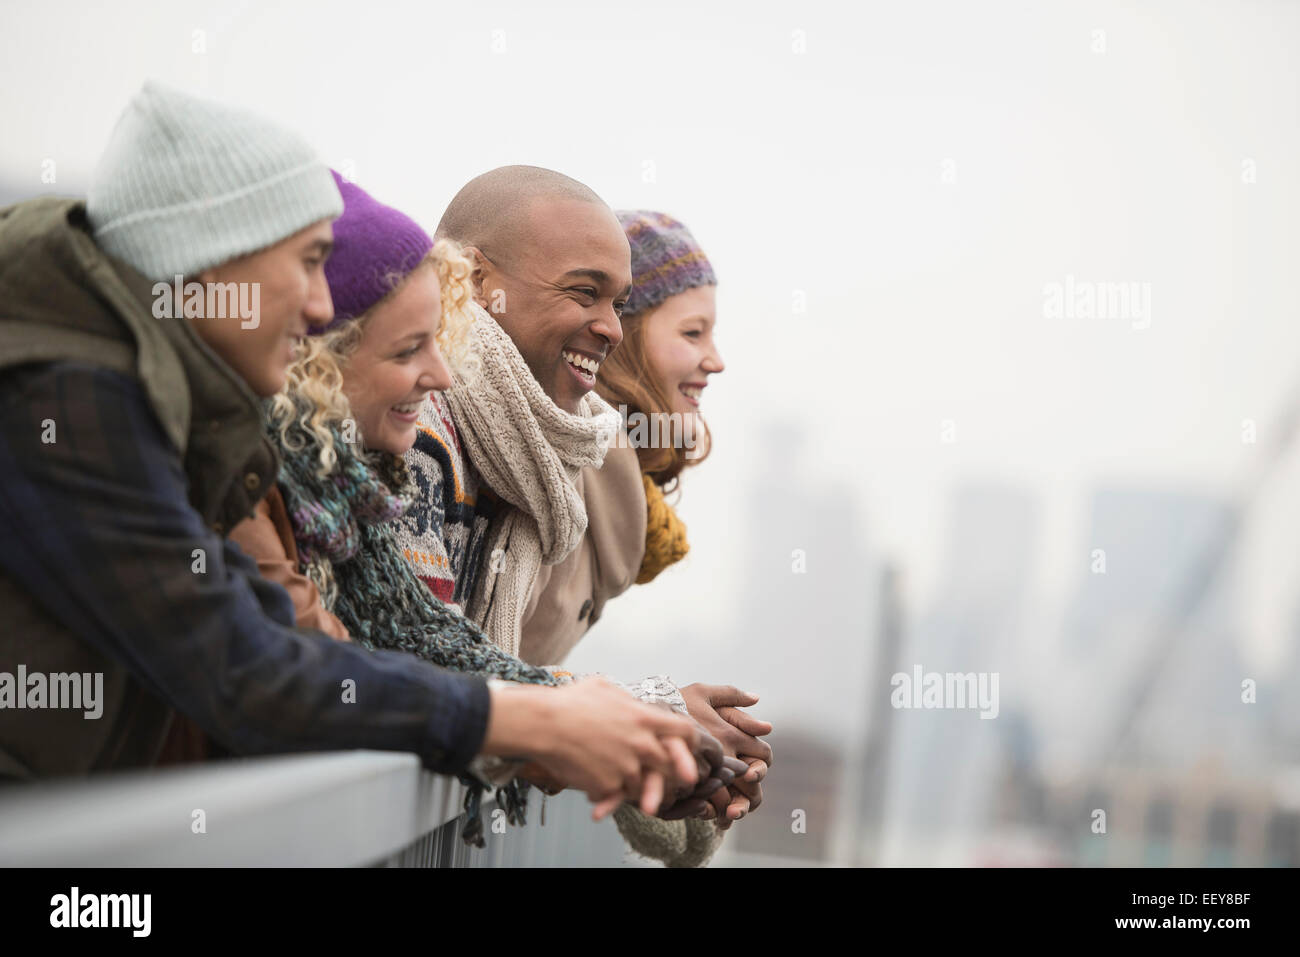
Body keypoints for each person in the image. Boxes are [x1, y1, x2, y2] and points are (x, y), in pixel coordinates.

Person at [0, 82, 705, 820]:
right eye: (306, 261)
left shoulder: (154, 405)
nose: (316, 304)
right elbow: (246, 668)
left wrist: (571, 720)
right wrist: (533, 722)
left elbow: (304, 646)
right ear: (213, 260)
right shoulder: (68, 401)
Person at [229, 171, 739, 821]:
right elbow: (391, 662)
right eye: (410, 346)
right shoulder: (417, 440)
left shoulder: (509, 456)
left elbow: (427, 643)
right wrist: (623, 724)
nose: (608, 327)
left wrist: (630, 736)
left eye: (619, 302)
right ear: (322, 353)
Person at [403, 168, 770, 862]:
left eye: (621, 301)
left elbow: (475, 677)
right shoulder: (432, 433)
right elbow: (425, 662)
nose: (608, 325)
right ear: (479, 281)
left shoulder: (539, 459)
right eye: (586, 293)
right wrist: (637, 720)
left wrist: (644, 752)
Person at [593, 210, 770, 829]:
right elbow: (483, 681)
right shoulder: (562, 469)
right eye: (693, 333)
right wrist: (658, 717)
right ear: (625, 334)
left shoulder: (616, 492)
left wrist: (679, 771)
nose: (716, 361)